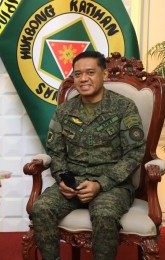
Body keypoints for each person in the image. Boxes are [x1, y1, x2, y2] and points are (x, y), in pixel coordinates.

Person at [29, 51, 146, 260]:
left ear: (104, 73)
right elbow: (56, 150)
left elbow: (134, 153)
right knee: (41, 208)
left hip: (112, 185)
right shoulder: (64, 110)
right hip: (73, 183)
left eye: (90, 72)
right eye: (78, 74)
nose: (83, 79)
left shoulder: (124, 107)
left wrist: (100, 184)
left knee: (105, 214)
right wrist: (62, 179)